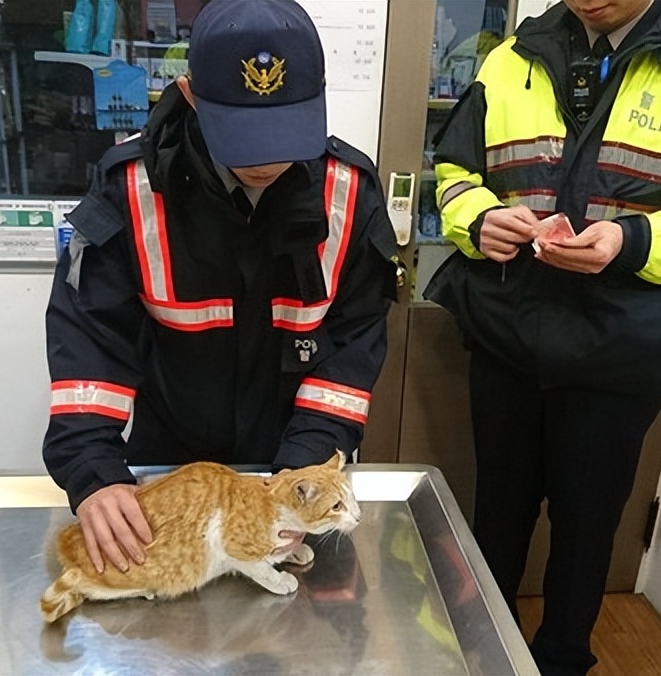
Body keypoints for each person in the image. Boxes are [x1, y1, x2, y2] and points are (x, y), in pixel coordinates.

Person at [425, 0, 661, 673]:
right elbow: (454, 174)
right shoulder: (511, 57)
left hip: (622, 349)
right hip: (509, 335)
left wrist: (633, 240)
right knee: (494, 513)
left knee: (587, 528)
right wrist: (478, 219)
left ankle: (562, 658)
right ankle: (479, 653)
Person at [41, 0, 398, 579]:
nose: (266, 157)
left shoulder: (350, 194)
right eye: (242, 131)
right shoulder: (131, 192)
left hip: (296, 464)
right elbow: (89, 337)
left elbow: (355, 343)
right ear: (189, 94)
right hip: (170, 465)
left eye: (284, 127)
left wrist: (301, 474)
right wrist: (91, 468)